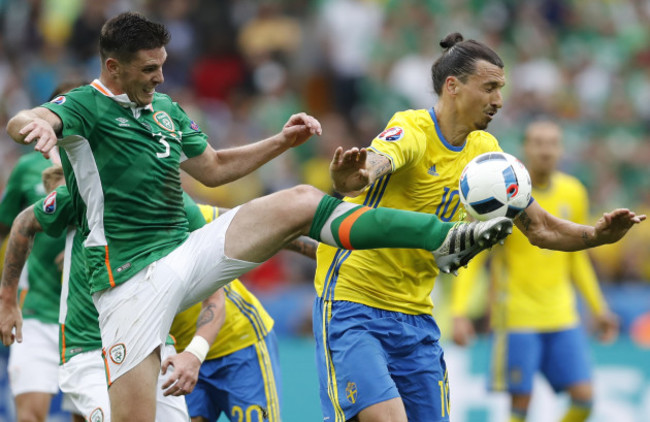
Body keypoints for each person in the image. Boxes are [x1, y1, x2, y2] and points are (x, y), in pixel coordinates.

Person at [2, 13, 520, 422]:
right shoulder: (85, 107)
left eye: (163, 65)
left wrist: (280, 141)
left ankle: (448, 238)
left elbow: (214, 169)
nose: (161, 78)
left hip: (182, 257)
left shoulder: (164, 111)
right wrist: (34, 127)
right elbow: (30, 119)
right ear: (113, 68)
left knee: (297, 200)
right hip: (128, 284)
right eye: (148, 69)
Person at [312, 33, 644, 422]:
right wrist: (354, 175)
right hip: (355, 302)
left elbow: (540, 229)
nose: (499, 101)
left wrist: (596, 236)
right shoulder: (412, 129)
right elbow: (373, 165)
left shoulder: (486, 153)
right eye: (489, 88)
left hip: (415, 313)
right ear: (452, 86)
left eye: (501, 89)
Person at [451, 120, 620, 422]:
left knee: (584, 400)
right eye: (538, 143)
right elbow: (476, 257)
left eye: (552, 143)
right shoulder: (504, 195)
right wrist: (460, 311)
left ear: (561, 149)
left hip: (562, 315)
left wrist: (599, 308)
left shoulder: (573, 191)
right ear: (525, 149)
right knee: (520, 404)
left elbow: (577, 259)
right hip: (517, 316)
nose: (545, 151)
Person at [164, 203, 315, 422]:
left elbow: (259, 225)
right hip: (180, 357)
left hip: (240, 344)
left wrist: (322, 252)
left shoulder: (181, 211)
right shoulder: (107, 237)